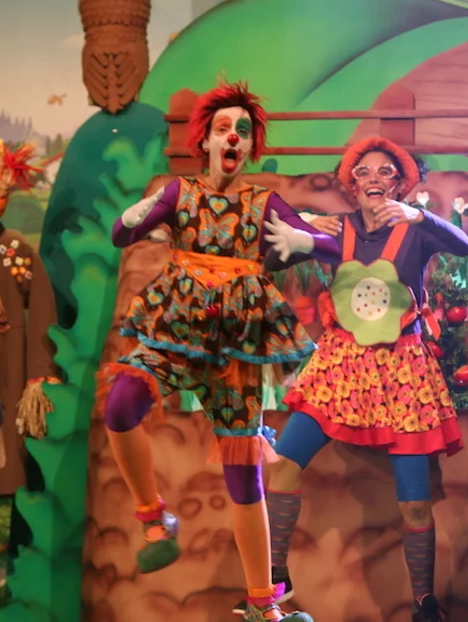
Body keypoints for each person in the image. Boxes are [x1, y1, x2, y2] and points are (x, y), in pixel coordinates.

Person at [99, 80, 336, 622]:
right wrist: (141, 213)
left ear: (250, 148)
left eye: (243, 131)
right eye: (224, 129)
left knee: (243, 475)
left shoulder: (263, 203)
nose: (233, 137)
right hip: (177, 331)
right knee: (120, 403)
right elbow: (120, 234)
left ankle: (262, 605)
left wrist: (306, 239)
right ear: (204, 141)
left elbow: (329, 244)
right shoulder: (179, 194)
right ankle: (154, 518)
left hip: (236, 349)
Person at [251, 136, 468, 622]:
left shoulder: (414, 228)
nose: (374, 179)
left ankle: (424, 603)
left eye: (385, 172)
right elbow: (270, 261)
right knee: (283, 466)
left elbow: (465, 246)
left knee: (415, 506)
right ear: (352, 184)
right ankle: (275, 575)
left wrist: (420, 217)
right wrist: (302, 229)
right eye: (364, 172)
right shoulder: (338, 229)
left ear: (400, 183)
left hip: (402, 371)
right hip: (340, 367)